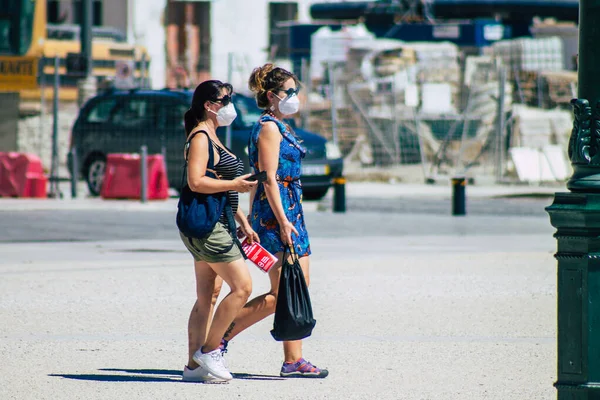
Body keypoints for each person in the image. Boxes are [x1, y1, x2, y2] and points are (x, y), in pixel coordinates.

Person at [220, 64, 329, 378]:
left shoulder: (282, 126)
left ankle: (293, 360)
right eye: (289, 92)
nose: (295, 97)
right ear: (271, 95)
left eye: (296, 91)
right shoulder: (268, 127)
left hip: (292, 212)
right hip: (275, 216)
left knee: (298, 288)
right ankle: (218, 338)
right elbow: (268, 178)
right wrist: (280, 221)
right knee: (281, 292)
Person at [179, 80, 260, 382]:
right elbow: (196, 182)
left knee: (208, 296)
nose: (230, 105)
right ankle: (210, 351)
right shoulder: (201, 136)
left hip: (217, 220)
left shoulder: (211, 133)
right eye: (225, 100)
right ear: (208, 105)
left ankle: (193, 367)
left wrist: (242, 219)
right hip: (208, 226)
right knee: (242, 288)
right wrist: (236, 184)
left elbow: (219, 185)